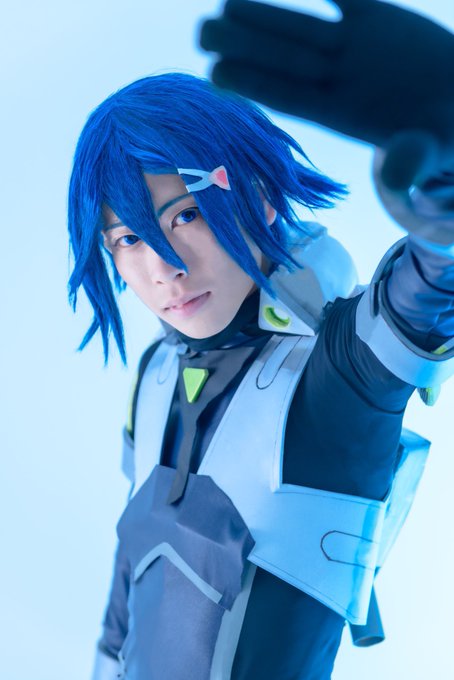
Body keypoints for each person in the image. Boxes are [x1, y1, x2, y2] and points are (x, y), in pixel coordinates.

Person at [68, 72, 454, 680]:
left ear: (258, 197)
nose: (163, 268)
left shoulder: (337, 372)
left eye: (186, 215)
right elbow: (130, 576)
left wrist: (444, 204)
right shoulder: (157, 375)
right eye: (129, 238)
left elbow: (425, 291)